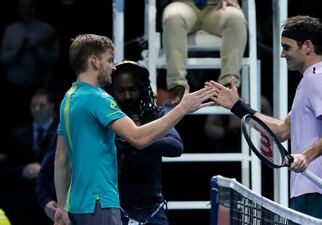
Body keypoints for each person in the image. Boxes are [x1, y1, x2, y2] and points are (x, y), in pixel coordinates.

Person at [206, 15, 322, 219]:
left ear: (307, 46)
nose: (281, 54)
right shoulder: (318, 78)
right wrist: (237, 107)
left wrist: (306, 156)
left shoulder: (317, 78)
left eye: (287, 47)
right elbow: (282, 131)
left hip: (319, 193)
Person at [53, 33, 215, 225]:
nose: (113, 67)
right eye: (110, 60)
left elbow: (61, 159)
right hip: (100, 202)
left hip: (77, 206)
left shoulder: (69, 98)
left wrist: (62, 208)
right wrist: (182, 109)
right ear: (94, 61)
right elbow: (138, 138)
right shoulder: (98, 98)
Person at [112, 60, 182, 225]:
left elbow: (176, 146)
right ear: (112, 91)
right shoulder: (106, 118)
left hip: (153, 209)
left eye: (132, 89)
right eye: (121, 90)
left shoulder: (156, 114)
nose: (127, 96)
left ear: (141, 89)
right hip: (117, 208)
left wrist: (138, 137)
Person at [162, 0, 247, 106]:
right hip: (183, 4)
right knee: (173, 17)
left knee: (236, 17)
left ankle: (228, 89)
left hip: (216, 6)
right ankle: (177, 89)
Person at [0, 0, 60, 124]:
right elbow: (2, 58)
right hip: (14, 86)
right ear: (18, 8)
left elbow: (55, 57)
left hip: (39, 86)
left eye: (31, 6)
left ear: (36, 7)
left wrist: (37, 49)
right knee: (15, 122)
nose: (27, 9)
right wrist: (18, 51)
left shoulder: (46, 29)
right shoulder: (11, 30)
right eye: (23, 6)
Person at [7, 88, 58, 225]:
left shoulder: (62, 132)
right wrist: (23, 170)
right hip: (24, 201)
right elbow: (6, 166)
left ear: (51, 107)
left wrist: (45, 169)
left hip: (53, 198)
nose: (36, 109)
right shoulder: (18, 134)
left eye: (41, 105)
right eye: (33, 105)